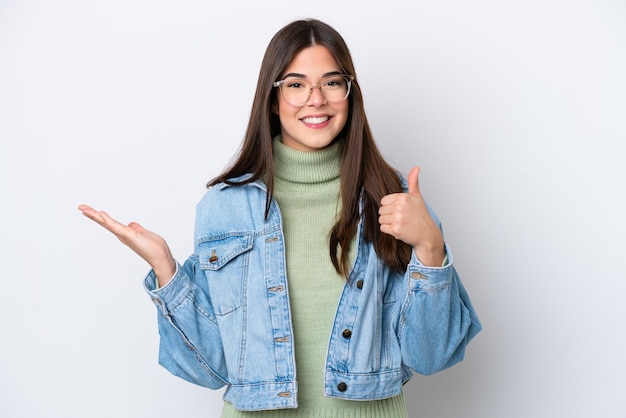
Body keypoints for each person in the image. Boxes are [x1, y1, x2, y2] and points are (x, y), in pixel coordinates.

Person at [78, 18, 481, 417]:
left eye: (331, 82)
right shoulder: (226, 205)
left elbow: (433, 356)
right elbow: (211, 368)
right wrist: (166, 270)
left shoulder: (393, 197)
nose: (316, 99)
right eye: (296, 84)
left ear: (350, 93)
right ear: (273, 99)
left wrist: (430, 247)